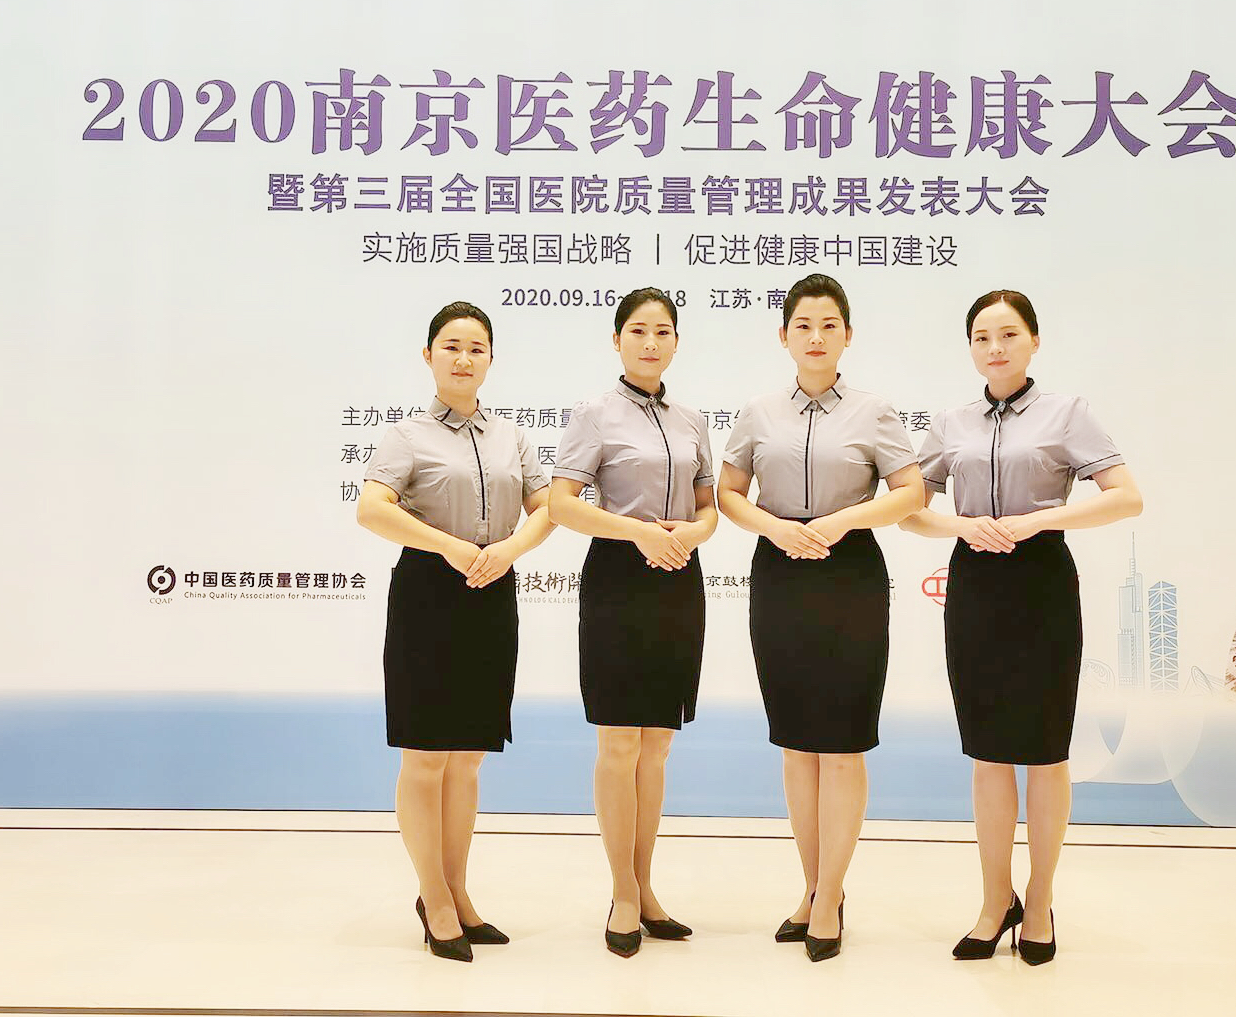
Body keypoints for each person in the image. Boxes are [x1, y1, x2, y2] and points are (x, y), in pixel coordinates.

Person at [899, 290, 1142, 965]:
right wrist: (961, 525)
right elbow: (908, 510)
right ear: (970, 348)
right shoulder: (951, 423)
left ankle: (1038, 901)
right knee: (988, 751)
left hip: (1042, 584)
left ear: (1035, 340)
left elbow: (1126, 497)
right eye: (982, 337)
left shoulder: (1068, 413)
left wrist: (1039, 520)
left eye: (1008, 334)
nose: (995, 347)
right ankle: (993, 900)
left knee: (1045, 751)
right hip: (975, 584)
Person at [717, 273, 923, 962]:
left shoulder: (874, 411)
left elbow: (910, 492)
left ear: (847, 335)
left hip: (849, 573)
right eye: (802, 325)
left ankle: (832, 895)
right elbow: (728, 492)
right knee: (797, 743)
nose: (815, 336)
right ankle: (810, 889)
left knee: (842, 743)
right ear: (784, 335)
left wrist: (840, 522)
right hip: (780, 572)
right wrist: (775, 528)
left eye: (828, 324)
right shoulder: (758, 412)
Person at [355, 301, 554, 962]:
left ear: (491, 359)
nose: (464, 358)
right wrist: (447, 545)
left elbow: (547, 507)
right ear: (428, 355)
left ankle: (459, 892)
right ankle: (433, 897)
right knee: (425, 756)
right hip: (428, 594)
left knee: (467, 757)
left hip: (492, 590)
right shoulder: (407, 435)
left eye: (477, 348)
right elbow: (372, 509)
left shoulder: (511, 436)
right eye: (451, 346)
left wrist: (510, 550)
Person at [548, 287, 717, 958]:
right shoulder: (594, 414)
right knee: (620, 744)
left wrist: (690, 534)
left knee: (657, 746)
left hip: (678, 578)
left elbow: (709, 508)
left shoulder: (693, 420)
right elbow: (562, 504)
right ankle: (621, 891)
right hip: (619, 580)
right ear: (617, 339)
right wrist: (637, 533)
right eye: (639, 331)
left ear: (677, 342)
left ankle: (646, 889)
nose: (651, 342)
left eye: (663, 331)